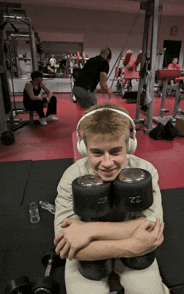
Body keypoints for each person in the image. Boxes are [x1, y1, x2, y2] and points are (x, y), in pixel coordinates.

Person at [54, 102, 169, 294]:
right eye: (97, 152)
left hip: (105, 245)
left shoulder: (146, 171)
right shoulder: (71, 177)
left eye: (116, 151)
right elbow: (67, 246)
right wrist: (131, 245)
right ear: (84, 148)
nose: (107, 163)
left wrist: (89, 230)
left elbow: (153, 229)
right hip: (97, 253)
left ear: (129, 145)